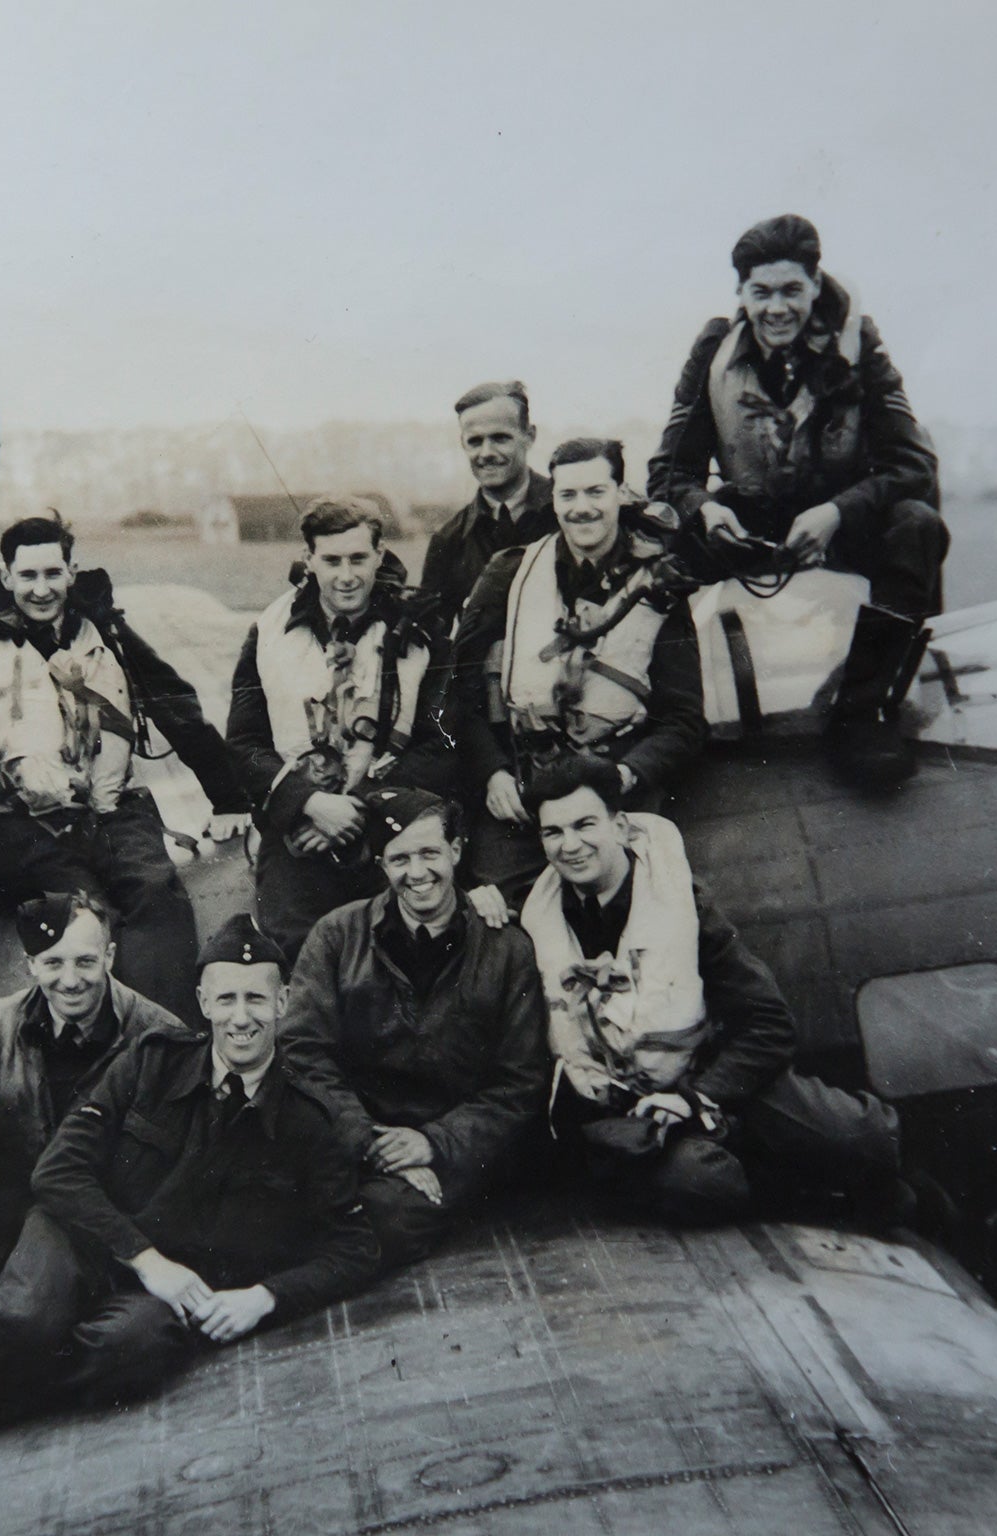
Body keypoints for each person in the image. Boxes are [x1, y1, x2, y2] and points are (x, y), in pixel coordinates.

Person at [0, 914, 379, 1469]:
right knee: (24, 1317)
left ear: (283, 1002)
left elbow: (354, 1246)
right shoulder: (152, 1061)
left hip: (177, 1282)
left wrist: (265, 1297)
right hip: (82, 1233)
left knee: (132, 1351)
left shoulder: (311, 1119)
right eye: (226, 998)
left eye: (256, 998)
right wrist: (146, 1260)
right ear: (203, 1004)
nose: (241, 1017)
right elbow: (58, 1172)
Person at [518, 754, 902, 1223]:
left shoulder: (681, 900)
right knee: (698, 1186)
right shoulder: (538, 921)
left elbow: (769, 1024)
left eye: (584, 825)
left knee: (863, 1140)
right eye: (552, 832)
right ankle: (815, 1204)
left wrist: (698, 1096)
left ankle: (849, 1183)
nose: (570, 846)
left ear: (619, 826)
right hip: (632, 1105)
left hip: (710, 1075)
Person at [647, 213, 946, 784]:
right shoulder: (714, 349)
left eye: (791, 290)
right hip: (749, 525)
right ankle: (670, 725)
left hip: (840, 521)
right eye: (760, 293)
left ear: (814, 284)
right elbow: (669, 472)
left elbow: (913, 464)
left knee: (916, 523)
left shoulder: (861, 346)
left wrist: (838, 512)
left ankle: (864, 711)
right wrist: (707, 510)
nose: (776, 309)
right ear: (740, 294)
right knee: (662, 550)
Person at [0, 514, 251, 1019]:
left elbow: (175, 705)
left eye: (53, 574)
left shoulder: (107, 632)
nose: (41, 590)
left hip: (112, 809)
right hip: (21, 825)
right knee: (87, 913)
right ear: (7, 576)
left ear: (71, 571)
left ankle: (162, 1042)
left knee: (153, 891)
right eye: (28, 576)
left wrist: (229, 796)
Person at [277, 787, 548, 1269]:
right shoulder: (338, 935)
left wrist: (433, 1143)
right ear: (381, 864)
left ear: (457, 852)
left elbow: (520, 1083)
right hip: (360, 1136)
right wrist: (367, 1139)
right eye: (400, 858)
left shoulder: (507, 948)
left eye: (430, 853)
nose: (417, 873)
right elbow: (301, 1052)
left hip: (458, 1145)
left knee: (388, 1218)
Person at [449, 437, 708, 904]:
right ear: (554, 499)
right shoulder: (509, 573)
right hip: (527, 793)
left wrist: (627, 775)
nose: (582, 509)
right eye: (568, 495)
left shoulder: (658, 586)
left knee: (647, 907)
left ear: (620, 494)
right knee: (494, 913)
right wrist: (492, 774)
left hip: (616, 794)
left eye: (596, 492)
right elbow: (456, 692)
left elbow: (683, 721)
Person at [0, 892, 187, 1334]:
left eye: (85, 961)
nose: (70, 980)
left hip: (109, 1221)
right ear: (30, 965)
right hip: (23, 1213)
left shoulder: (159, 1034)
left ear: (110, 956)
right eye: (52, 963)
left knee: (36, 1322)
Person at [227, 496, 453, 958]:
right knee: (298, 950)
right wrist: (309, 803)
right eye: (330, 561)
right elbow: (244, 744)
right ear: (308, 559)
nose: (346, 576)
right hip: (299, 830)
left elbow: (441, 747)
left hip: (390, 825)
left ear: (380, 552)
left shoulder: (421, 631)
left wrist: (355, 809)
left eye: (358, 559)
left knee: (395, 952)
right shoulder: (269, 630)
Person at [416, 380, 557, 636]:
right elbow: (431, 636)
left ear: (530, 436)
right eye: (475, 441)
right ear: (463, 444)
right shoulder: (448, 540)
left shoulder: (567, 513)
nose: (487, 452)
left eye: (500, 438)